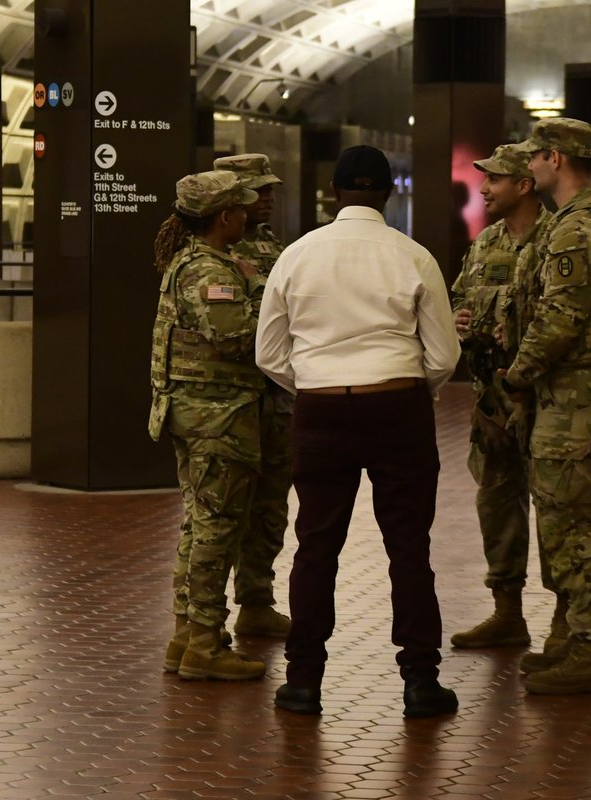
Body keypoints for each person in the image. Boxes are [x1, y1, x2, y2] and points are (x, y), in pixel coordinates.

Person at [255, 145, 462, 717]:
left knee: (316, 547)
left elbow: (268, 353)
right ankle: (420, 681)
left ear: (333, 193)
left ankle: (303, 682)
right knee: (408, 548)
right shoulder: (414, 256)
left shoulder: (296, 256)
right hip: (398, 408)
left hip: (320, 410)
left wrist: (314, 383)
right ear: (389, 193)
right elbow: (444, 355)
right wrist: (408, 387)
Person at [505, 118, 591, 694]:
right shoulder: (583, 219)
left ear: (555, 159)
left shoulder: (578, 227)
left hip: (574, 389)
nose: (529, 166)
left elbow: (561, 318)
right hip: (570, 388)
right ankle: (571, 637)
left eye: (534, 157)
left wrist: (518, 374)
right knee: (561, 514)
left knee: (577, 519)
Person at [148, 170, 268, 681]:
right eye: (241, 207)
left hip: (198, 414)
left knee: (198, 525)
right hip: (217, 418)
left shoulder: (194, 261)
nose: (247, 213)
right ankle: (204, 644)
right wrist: (264, 291)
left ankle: (187, 635)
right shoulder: (208, 271)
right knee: (217, 529)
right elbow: (236, 336)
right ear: (224, 217)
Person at [448, 143, 551, 650]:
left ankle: (569, 624)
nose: (484, 189)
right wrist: (458, 319)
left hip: (545, 398)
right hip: (493, 399)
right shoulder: (487, 242)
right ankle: (507, 612)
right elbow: (458, 297)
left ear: (524, 185)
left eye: (494, 180)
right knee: (497, 503)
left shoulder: (556, 239)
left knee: (556, 508)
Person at [214, 153, 292, 638]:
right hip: (228, 401)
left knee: (269, 506)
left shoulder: (269, 244)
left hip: (273, 397)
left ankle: (256, 599)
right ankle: (205, 616)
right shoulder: (210, 248)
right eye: (258, 191)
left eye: (269, 190)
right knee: (220, 510)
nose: (268, 198)